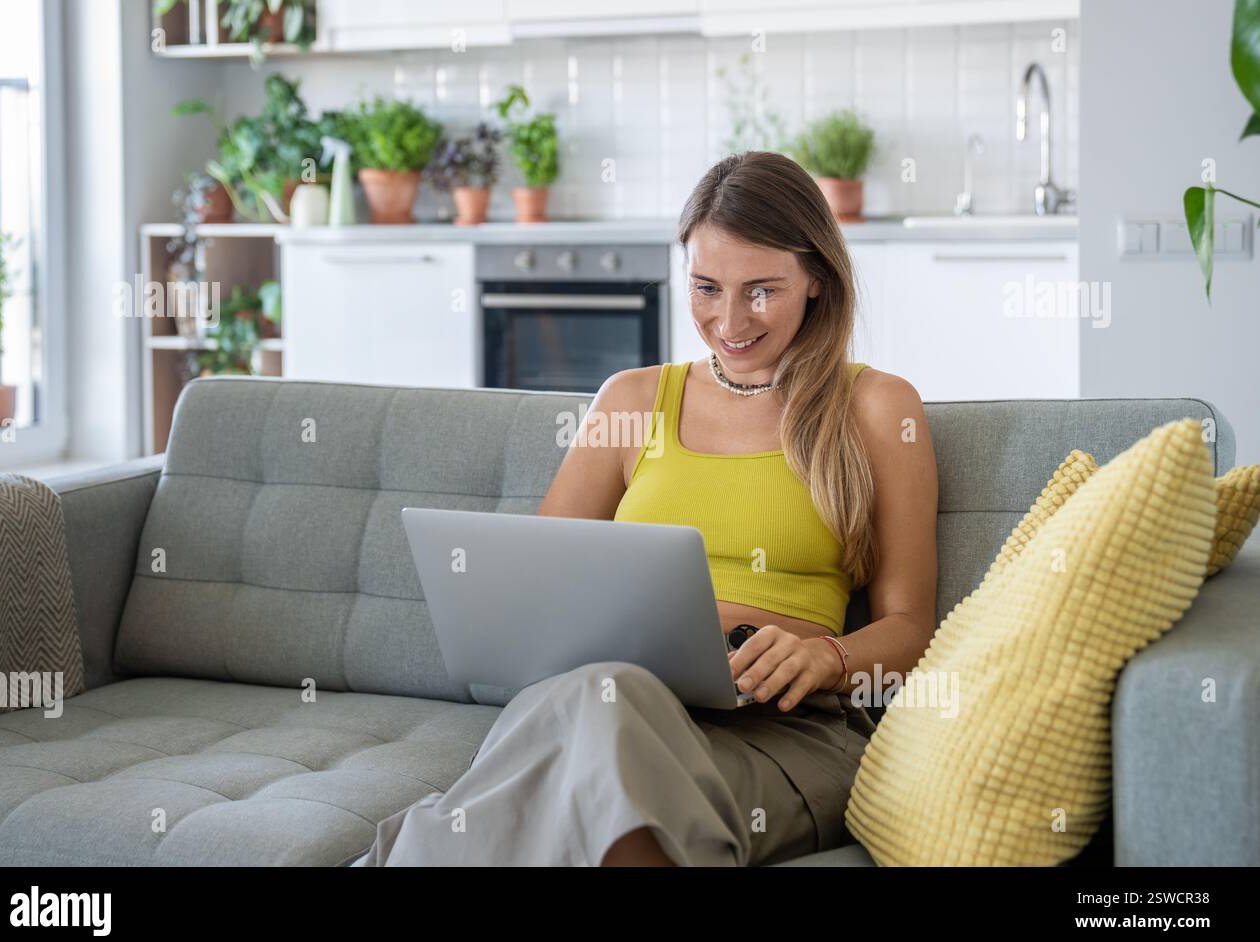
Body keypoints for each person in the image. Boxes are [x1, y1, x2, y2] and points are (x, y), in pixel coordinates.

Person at [352, 150, 938, 867]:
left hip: (785, 729)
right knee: (604, 702)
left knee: (594, 744)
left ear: (817, 279)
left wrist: (825, 656)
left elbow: (912, 631)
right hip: (604, 706)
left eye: (761, 291)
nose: (729, 320)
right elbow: (535, 594)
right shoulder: (631, 401)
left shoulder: (877, 408)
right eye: (705, 287)